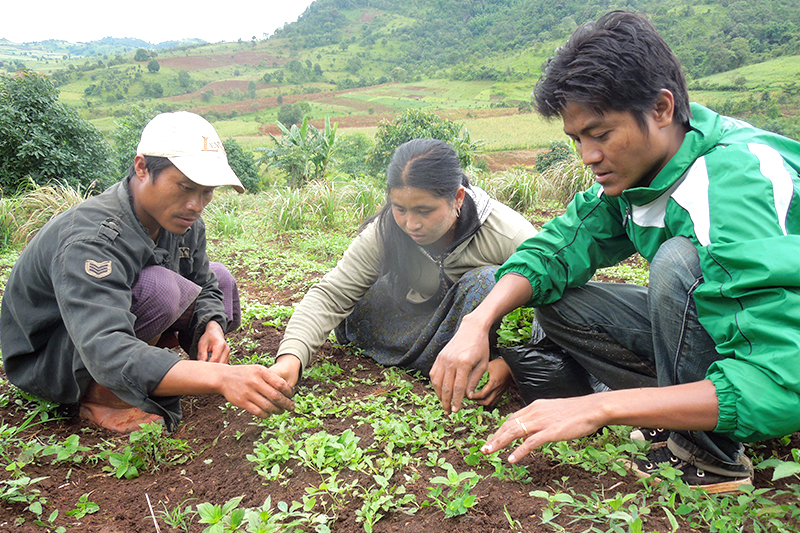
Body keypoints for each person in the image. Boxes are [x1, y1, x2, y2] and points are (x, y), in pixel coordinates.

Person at [431, 10, 800, 494]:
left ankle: (709, 455)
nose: (587, 156)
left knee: (677, 266)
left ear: (663, 108)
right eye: (577, 139)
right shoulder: (637, 176)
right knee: (558, 301)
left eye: (601, 134)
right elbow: (556, 249)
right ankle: (680, 406)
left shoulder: (733, 183)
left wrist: (598, 406)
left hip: (785, 349)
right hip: (742, 334)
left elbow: (783, 380)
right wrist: (476, 322)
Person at [0, 111, 293, 433]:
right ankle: (104, 395)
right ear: (142, 168)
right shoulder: (91, 238)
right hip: (52, 359)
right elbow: (104, 345)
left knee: (220, 278)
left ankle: (144, 368)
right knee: (160, 289)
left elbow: (205, 283)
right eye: (185, 187)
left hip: (102, 335)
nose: (196, 204)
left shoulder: (181, 220)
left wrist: (210, 327)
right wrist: (221, 378)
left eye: (207, 192)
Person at [267, 138, 538, 403]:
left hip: (463, 335)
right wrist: (291, 358)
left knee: (486, 281)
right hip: (406, 316)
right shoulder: (386, 230)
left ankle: (444, 361)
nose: (411, 224)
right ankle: (421, 357)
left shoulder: (507, 233)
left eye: (424, 211)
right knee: (362, 288)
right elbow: (333, 293)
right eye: (400, 209)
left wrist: (511, 364)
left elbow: (560, 295)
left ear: (457, 198)